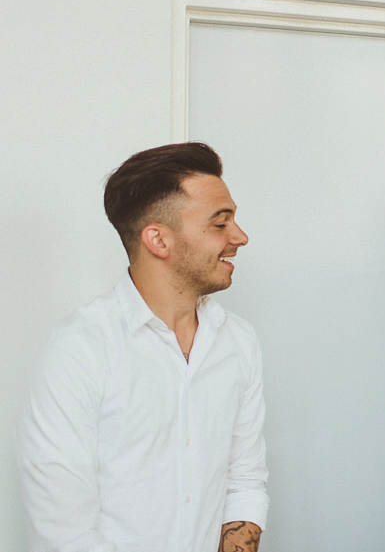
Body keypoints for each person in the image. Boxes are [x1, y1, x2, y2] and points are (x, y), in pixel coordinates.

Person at [18, 142, 268, 552]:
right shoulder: (77, 351)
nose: (240, 237)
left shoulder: (239, 342)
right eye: (220, 224)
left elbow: (244, 482)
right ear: (158, 239)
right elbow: (65, 536)